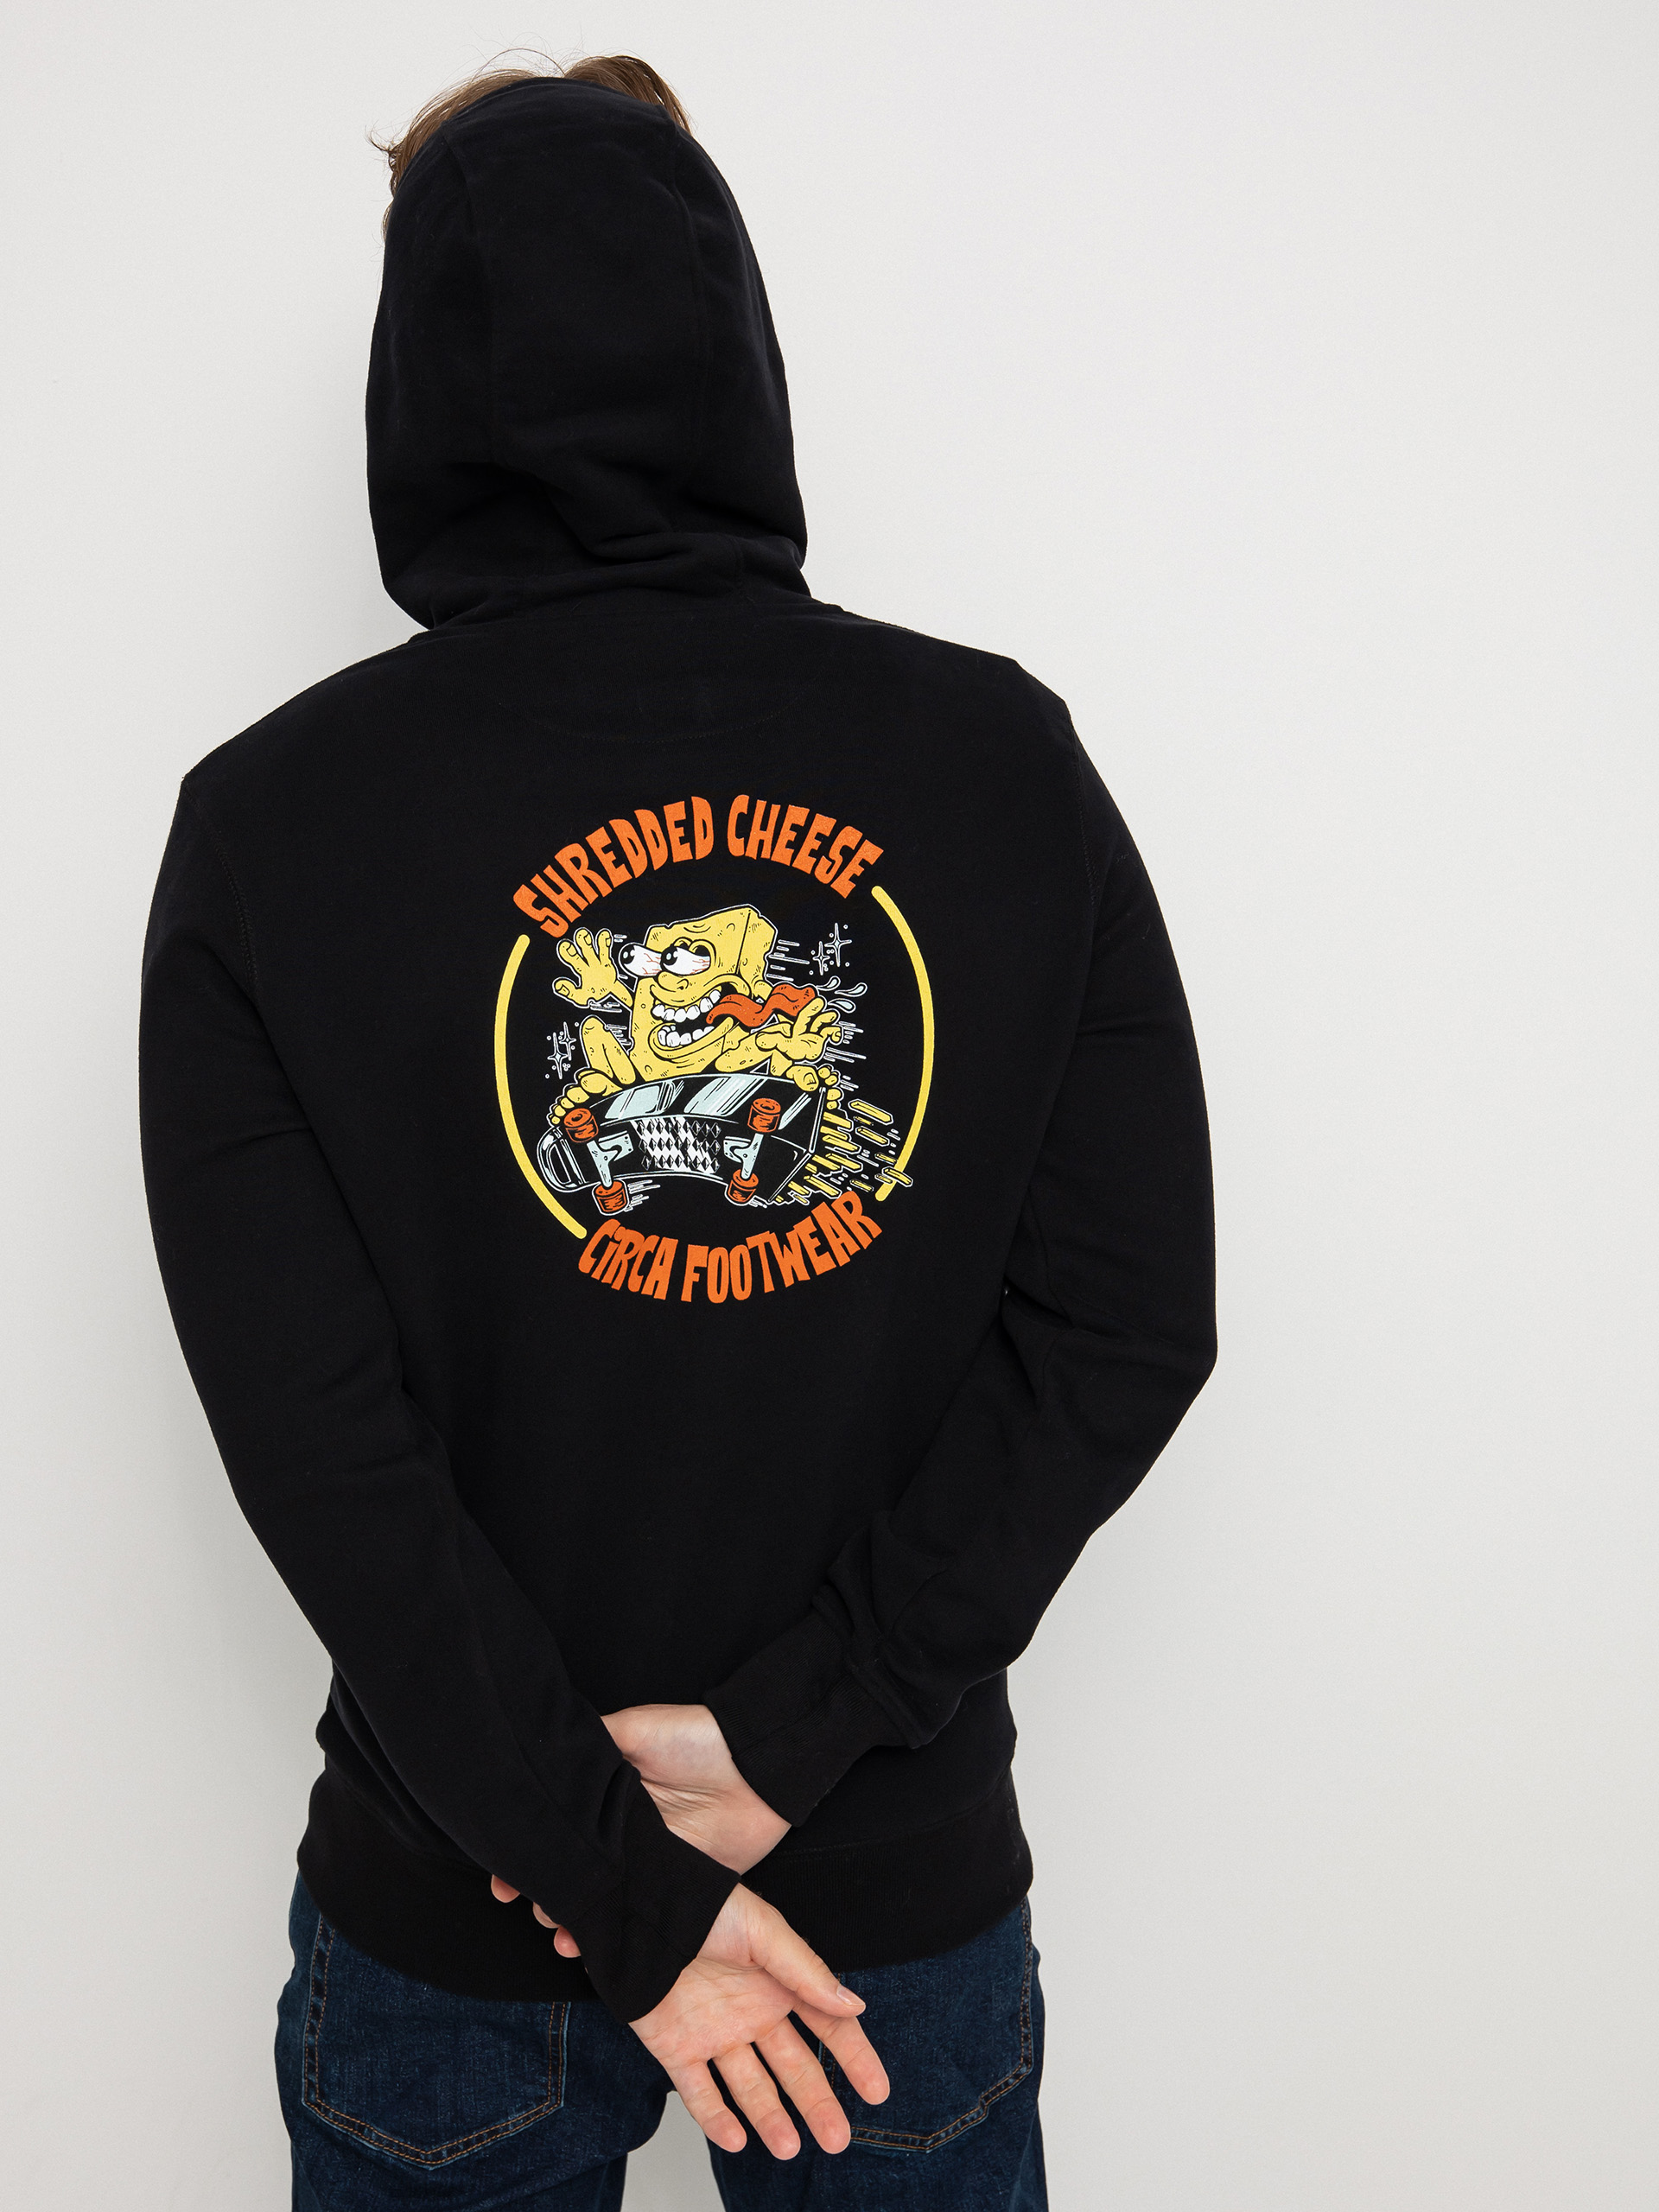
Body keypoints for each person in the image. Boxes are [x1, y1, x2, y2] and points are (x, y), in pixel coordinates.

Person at [140, 53, 1216, 2212]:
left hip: (463, 1910)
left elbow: (331, 1462)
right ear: (733, 335)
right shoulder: (999, 764)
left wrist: (602, 1864)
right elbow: (1124, 1325)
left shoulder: (273, 825)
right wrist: (785, 1746)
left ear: (422, 378)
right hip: (874, 1901)